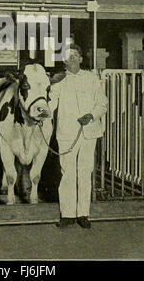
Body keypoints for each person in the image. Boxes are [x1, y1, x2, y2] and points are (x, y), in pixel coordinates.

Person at [50, 44, 108, 229]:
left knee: (84, 172)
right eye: (68, 56)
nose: (72, 59)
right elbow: (50, 105)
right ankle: (67, 214)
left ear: (81, 59)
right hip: (67, 133)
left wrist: (91, 115)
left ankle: (83, 213)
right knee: (67, 173)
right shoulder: (58, 81)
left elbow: (103, 103)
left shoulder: (92, 79)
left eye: (75, 55)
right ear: (64, 60)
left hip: (89, 132)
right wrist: (42, 114)